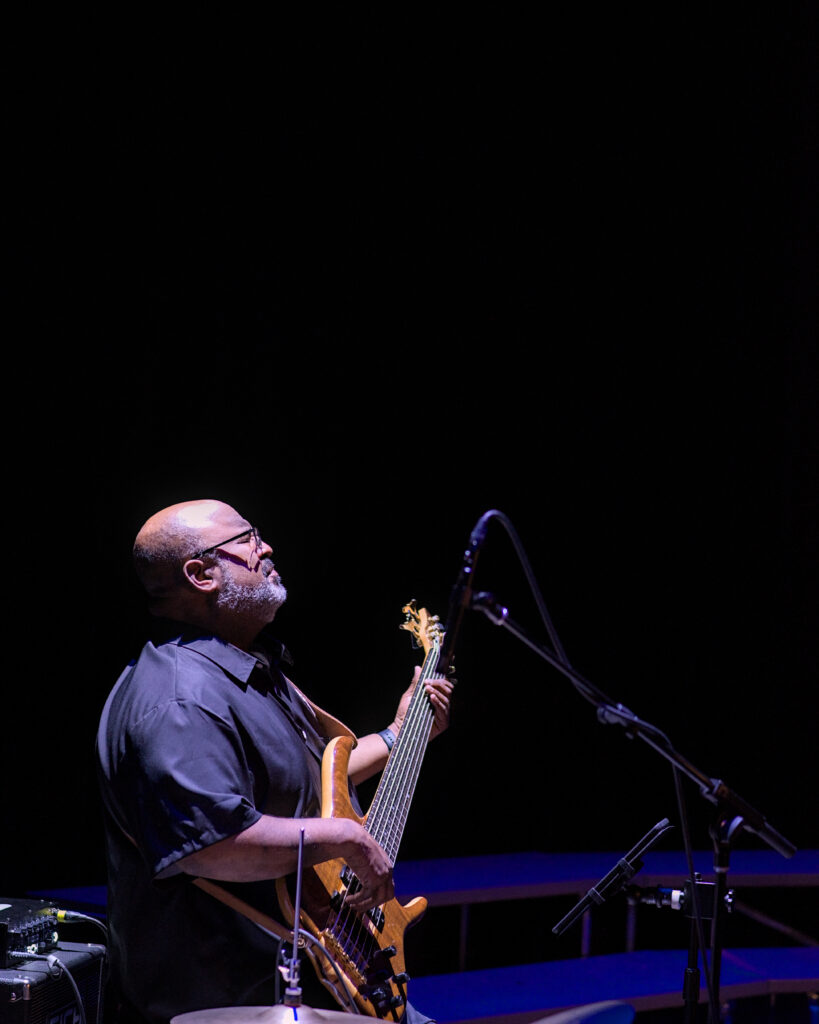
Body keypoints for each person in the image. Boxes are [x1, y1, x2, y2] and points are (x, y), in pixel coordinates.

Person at [96, 498, 453, 1024]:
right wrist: (349, 838)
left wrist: (401, 734)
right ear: (200, 573)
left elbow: (304, 783)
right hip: (230, 999)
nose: (266, 547)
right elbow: (214, 846)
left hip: (318, 979)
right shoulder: (179, 698)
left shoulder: (248, 670)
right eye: (246, 539)